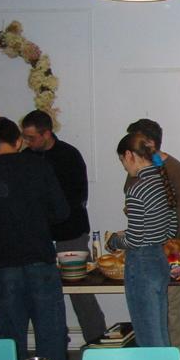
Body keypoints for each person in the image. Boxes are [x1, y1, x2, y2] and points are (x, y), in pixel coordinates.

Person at [0, 117, 71, 360]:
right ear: (18, 141)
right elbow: (61, 211)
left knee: (10, 341)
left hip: (2, 265)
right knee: (51, 337)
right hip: (40, 260)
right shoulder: (38, 166)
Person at [20, 110, 107, 343]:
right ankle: (54, 342)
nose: (27, 142)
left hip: (70, 233)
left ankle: (97, 341)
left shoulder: (69, 155)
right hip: (38, 236)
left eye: (31, 137)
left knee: (80, 292)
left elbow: (77, 197)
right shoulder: (25, 158)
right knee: (43, 292)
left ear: (46, 133)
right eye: (25, 137)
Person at [125, 119, 180, 349]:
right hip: (147, 248)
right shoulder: (138, 169)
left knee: (172, 309)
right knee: (152, 313)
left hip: (174, 249)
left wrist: (158, 219)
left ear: (150, 143)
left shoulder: (175, 169)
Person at [107, 133, 178, 347]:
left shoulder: (137, 189)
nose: (123, 166)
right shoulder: (163, 183)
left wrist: (114, 241)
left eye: (122, 160)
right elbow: (171, 229)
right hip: (159, 259)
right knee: (159, 329)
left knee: (147, 333)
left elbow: (135, 240)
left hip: (141, 263)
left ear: (130, 155)